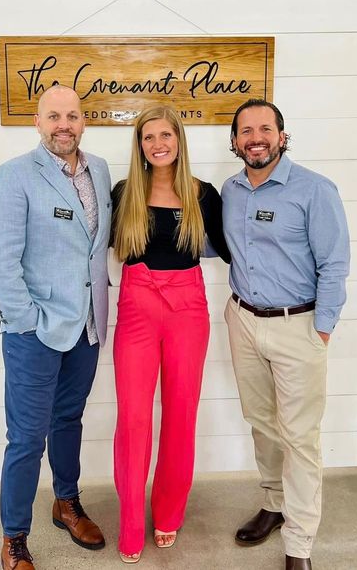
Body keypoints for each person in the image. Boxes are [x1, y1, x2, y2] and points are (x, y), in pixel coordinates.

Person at [0, 85, 112, 570]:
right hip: (34, 332)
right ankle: (14, 537)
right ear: (37, 123)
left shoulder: (99, 169)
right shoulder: (14, 177)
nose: (64, 125)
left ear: (83, 122)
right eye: (54, 116)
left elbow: (94, 248)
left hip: (88, 327)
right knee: (27, 438)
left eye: (72, 116)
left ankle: (66, 502)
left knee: (68, 421)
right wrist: (27, 321)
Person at [221, 99, 350, 570]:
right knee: (261, 422)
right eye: (246, 130)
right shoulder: (230, 190)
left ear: (282, 135)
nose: (256, 138)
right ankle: (274, 504)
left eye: (266, 129)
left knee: (300, 438)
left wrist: (323, 328)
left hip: (300, 324)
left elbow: (334, 263)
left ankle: (300, 543)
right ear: (235, 141)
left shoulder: (315, 190)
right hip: (243, 319)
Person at [111, 105, 231, 564]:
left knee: (181, 414)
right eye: (148, 137)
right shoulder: (124, 192)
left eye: (166, 135)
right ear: (139, 145)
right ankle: (129, 524)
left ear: (180, 140)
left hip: (187, 311)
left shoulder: (204, 194)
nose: (158, 144)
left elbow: (232, 247)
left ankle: (168, 513)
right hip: (137, 310)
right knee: (134, 419)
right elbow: (86, 243)